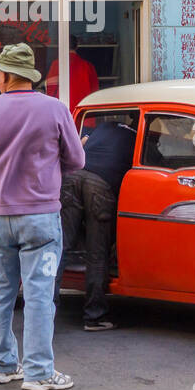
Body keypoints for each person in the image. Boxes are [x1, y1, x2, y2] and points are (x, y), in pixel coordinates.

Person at [0, 43, 84, 390]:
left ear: (4, 76)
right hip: (41, 217)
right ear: (29, 76)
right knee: (39, 295)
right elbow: (77, 160)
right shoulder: (55, 109)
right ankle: (39, 373)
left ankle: (1, 365)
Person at [58, 114, 137, 331]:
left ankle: (43, 313)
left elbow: (81, 142)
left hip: (73, 176)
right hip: (100, 186)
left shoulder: (105, 127)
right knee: (97, 252)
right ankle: (94, 316)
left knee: (60, 247)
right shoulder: (137, 138)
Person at [44, 35, 99, 111]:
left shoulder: (57, 64)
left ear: (61, 46)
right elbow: (95, 93)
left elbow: (50, 91)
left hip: (62, 113)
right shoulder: (88, 66)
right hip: (84, 114)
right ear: (77, 45)